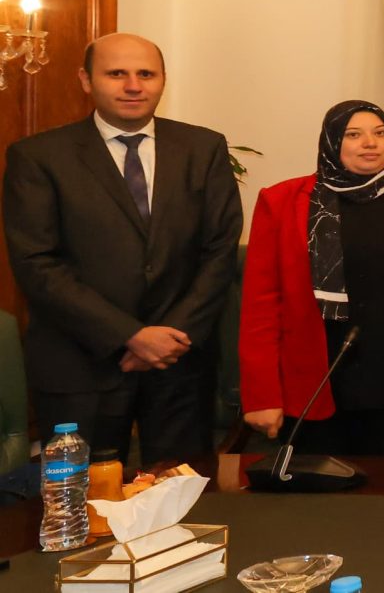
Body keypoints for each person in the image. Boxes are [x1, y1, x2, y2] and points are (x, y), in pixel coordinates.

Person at [2, 33, 240, 469]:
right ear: (86, 80)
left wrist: (170, 335)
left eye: (146, 74)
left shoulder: (203, 148)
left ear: (163, 80)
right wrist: (129, 335)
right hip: (79, 366)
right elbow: (37, 264)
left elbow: (220, 250)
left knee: (183, 493)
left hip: (179, 366)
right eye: (116, 74)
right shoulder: (38, 157)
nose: (133, 86)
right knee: (83, 500)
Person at [239, 101, 384, 456]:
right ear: (332, 141)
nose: (370, 143)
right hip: (313, 375)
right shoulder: (280, 201)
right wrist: (262, 396)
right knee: (316, 486)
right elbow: (261, 306)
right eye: (354, 134)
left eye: (380, 133)